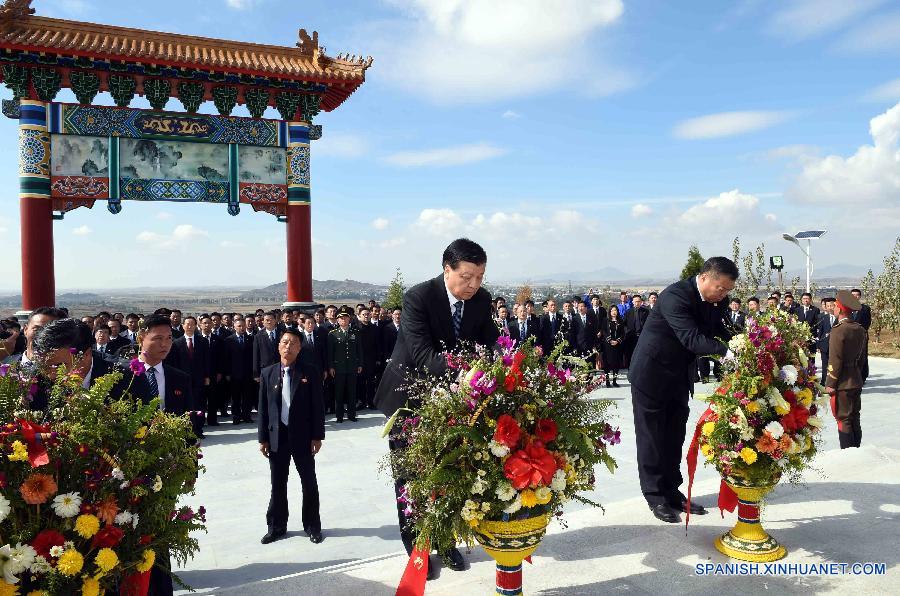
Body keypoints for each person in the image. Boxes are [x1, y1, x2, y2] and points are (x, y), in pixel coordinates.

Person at [375, 238, 500, 578]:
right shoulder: (419, 297)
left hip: (454, 400)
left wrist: (501, 367)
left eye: (480, 277)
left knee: (451, 474)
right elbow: (424, 357)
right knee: (411, 479)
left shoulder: (482, 300)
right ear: (447, 270)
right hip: (408, 401)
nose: (474, 285)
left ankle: (446, 542)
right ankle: (417, 549)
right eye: (466, 276)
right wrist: (471, 373)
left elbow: (490, 346)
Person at [629, 257, 737, 524]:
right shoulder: (675, 296)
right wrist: (725, 352)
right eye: (720, 288)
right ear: (705, 277)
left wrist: (745, 342)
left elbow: (722, 330)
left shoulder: (717, 301)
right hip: (651, 375)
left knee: (674, 435)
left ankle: (672, 490)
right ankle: (655, 496)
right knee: (652, 437)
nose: (723, 295)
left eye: (727, 291)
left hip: (679, 376)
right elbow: (690, 338)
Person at [258, 329, 325, 545]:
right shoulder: (268, 373)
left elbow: (318, 406)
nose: (288, 346)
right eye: (285, 342)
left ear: (299, 348)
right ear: (278, 346)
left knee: (309, 482)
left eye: (293, 343)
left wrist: (317, 436)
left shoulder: (310, 372)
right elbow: (263, 409)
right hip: (277, 436)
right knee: (278, 483)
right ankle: (276, 526)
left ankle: (312, 526)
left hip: (303, 437)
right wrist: (262, 438)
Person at [825, 290, 867, 449]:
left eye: (835, 306)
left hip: (842, 382)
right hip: (855, 379)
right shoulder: (859, 329)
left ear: (841, 309)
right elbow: (862, 358)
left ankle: (848, 454)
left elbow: (835, 360)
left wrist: (830, 383)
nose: (833, 308)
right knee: (855, 417)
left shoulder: (838, 330)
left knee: (844, 418)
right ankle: (857, 449)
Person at [327, 306, 363, 423]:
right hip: (339, 368)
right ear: (337, 320)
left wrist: (360, 364)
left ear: (349, 319)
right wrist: (331, 366)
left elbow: (360, 350)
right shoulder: (333, 334)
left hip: (352, 367)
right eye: (341, 318)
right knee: (339, 392)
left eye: (345, 318)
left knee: (352, 392)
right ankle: (339, 416)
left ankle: (352, 415)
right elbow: (330, 352)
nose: (343, 320)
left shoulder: (355, 333)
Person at [224, 316, 255, 424]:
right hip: (234, 374)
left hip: (248, 373)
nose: (242, 328)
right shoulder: (229, 340)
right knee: (235, 396)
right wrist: (227, 373)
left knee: (247, 396)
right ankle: (236, 416)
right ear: (234, 327)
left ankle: (246, 415)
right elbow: (226, 358)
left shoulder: (251, 339)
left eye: (243, 326)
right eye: (239, 326)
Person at [850, 288, 871, 383]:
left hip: (861, 336)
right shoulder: (846, 308)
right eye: (852, 295)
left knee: (862, 356)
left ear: (860, 296)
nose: (855, 296)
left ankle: (862, 377)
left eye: (857, 295)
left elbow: (867, 323)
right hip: (848, 337)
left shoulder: (865, 309)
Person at [602, 305, 626, 387]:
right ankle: (607, 381)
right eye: (612, 310)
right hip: (607, 345)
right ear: (609, 312)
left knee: (616, 363)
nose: (614, 312)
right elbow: (604, 331)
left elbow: (623, 333)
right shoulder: (605, 320)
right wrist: (609, 340)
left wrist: (617, 341)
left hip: (617, 345)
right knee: (607, 363)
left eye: (615, 310)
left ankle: (615, 381)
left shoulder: (620, 321)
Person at [817, 298, 836, 378]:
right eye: (827, 306)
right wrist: (818, 346)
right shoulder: (823, 318)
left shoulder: (839, 318)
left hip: (836, 346)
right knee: (825, 364)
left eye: (831, 305)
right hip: (825, 346)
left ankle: (835, 382)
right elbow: (819, 333)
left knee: (835, 365)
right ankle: (824, 381)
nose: (829, 307)